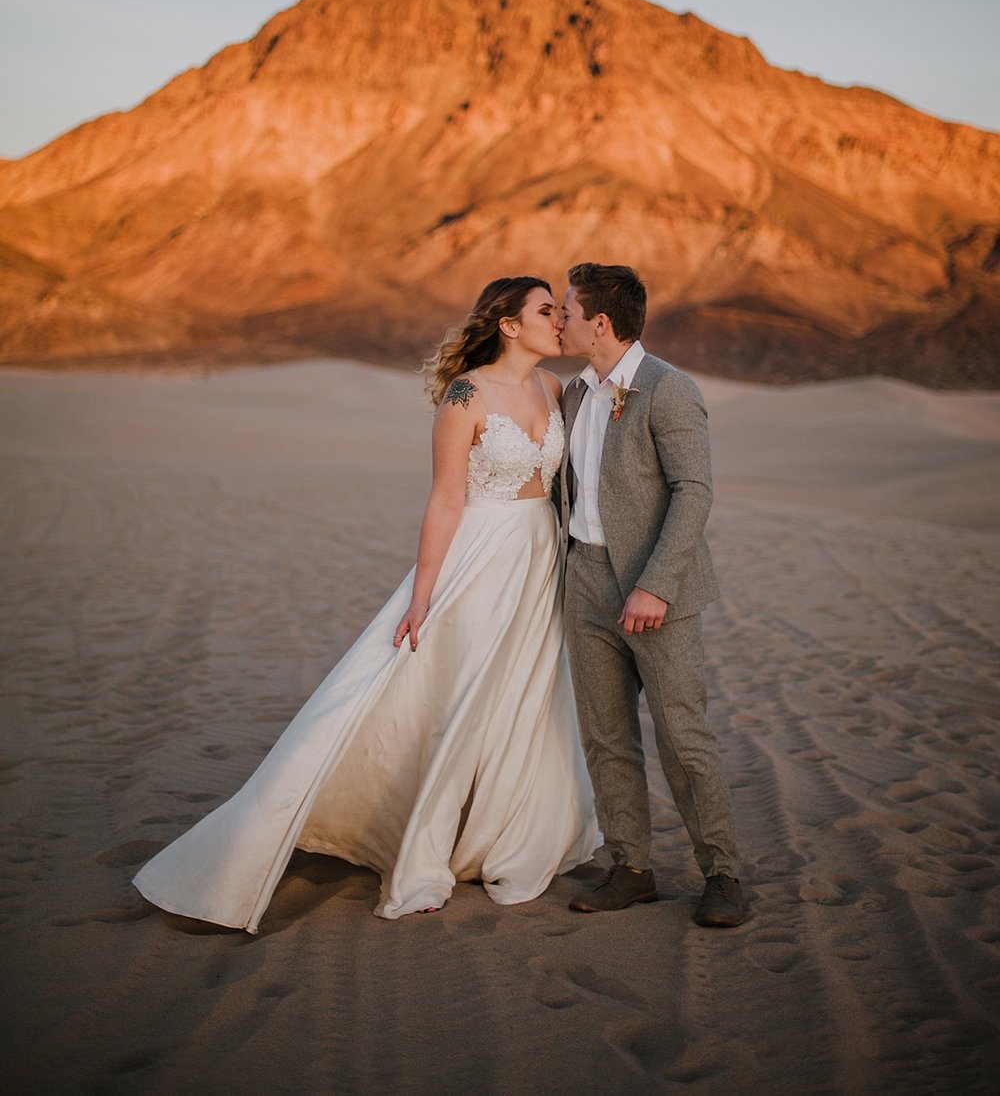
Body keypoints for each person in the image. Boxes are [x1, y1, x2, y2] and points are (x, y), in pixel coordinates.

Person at [134, 277, 597, 930]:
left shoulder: (553, 390)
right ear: (509, 326)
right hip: (480, 561)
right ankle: (424, 858)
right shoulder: (465, 396)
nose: (559, 321)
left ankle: (503, 839)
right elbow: (444, 501)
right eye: (545, 311)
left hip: (538, 561)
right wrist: (422, 595)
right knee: (456, 701)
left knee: (523, 701)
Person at [556, 262, 743, 927]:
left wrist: (655, 586)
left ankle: (722, 873)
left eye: (568, 311)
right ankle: (629, 866)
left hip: (653, 592)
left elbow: (696, 492)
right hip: (584, 582)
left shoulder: (668, 390)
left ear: (599, 323)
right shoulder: (574, 394)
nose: (560, 320)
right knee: (605, 736)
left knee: (682, 736)